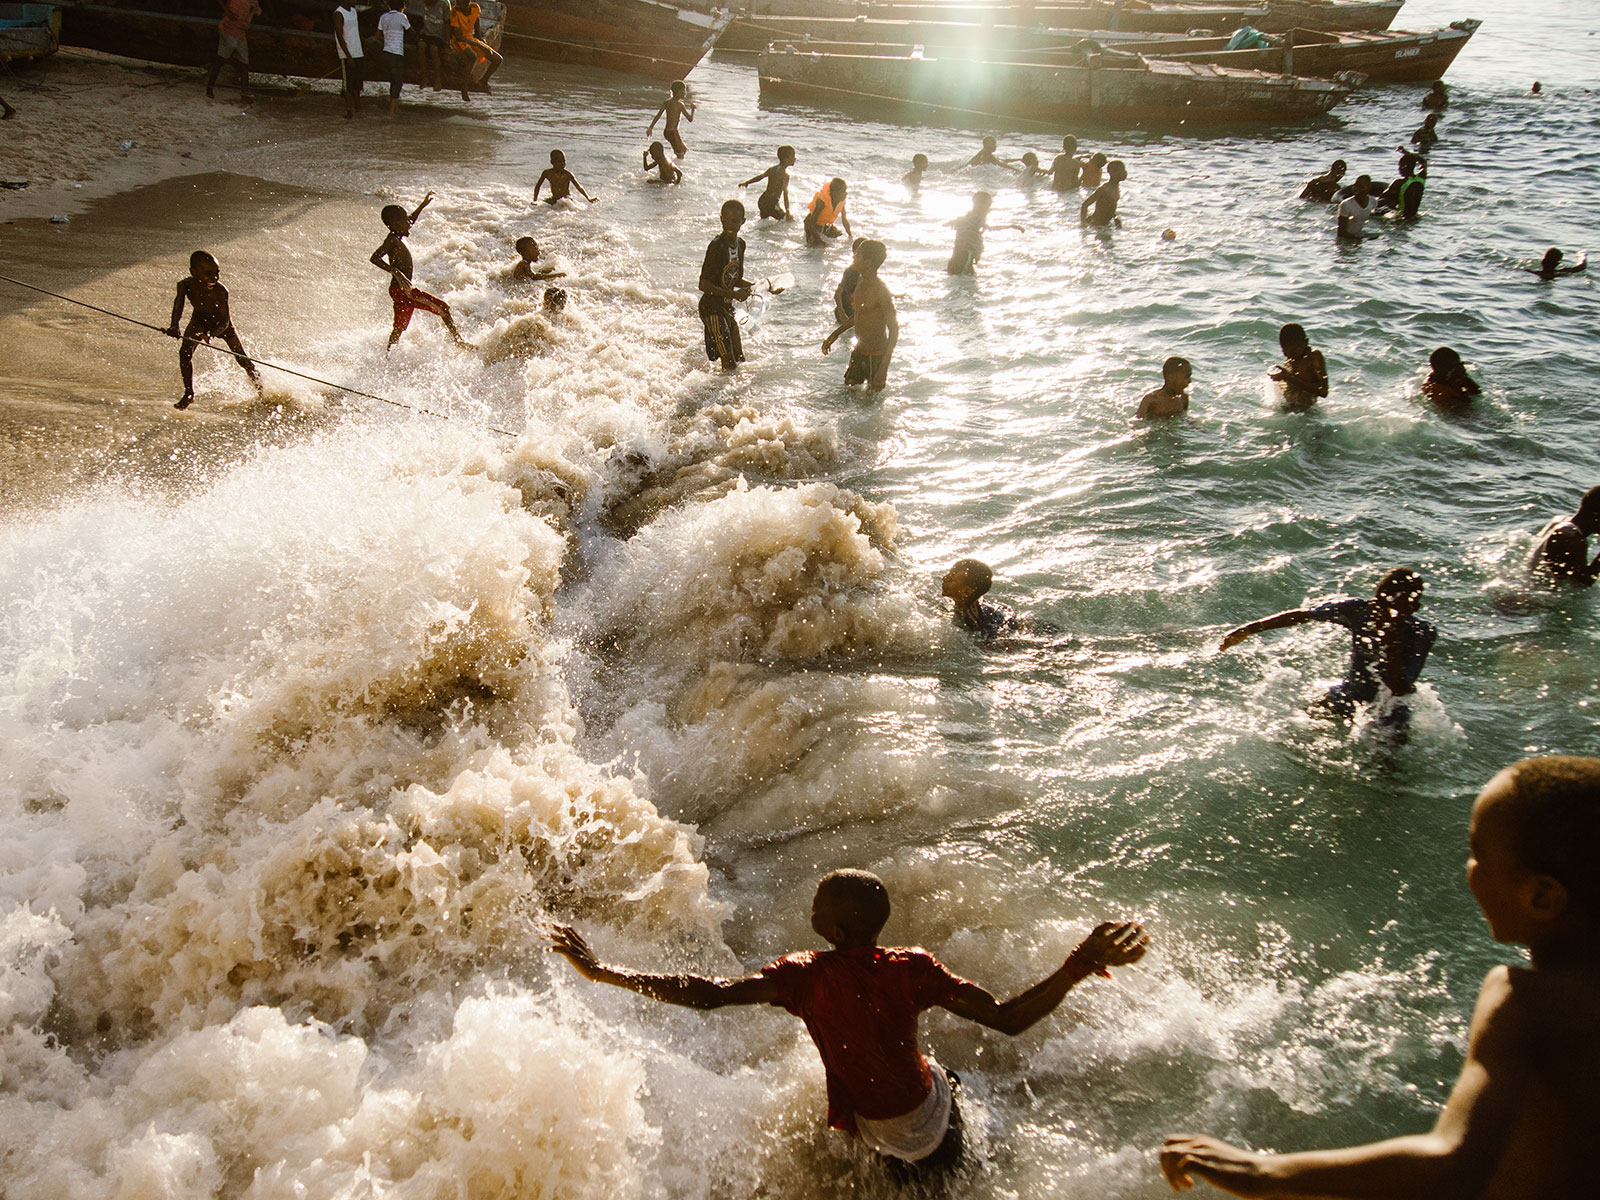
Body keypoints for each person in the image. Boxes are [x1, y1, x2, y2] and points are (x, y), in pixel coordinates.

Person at [1163, 754, 1600, 1199]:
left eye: (1477, 854)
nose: (1469, 869)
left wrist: (1261, 1172)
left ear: (1541, 896)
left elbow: (1453, 1162)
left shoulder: (1521, 998)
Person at [550, 870, 1148, 1172]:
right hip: (929, 1124)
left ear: (834, 930)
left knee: (923, 1106)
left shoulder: (805, 976)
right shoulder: (911, 967)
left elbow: (709, 994)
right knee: (944, 1091)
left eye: (817, 905)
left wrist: (603, 972)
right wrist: (1075, 965)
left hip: (878, 1129)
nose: (809, 908)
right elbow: (1009, 1018)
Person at [1218, 567, 1435, 727]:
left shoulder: (1421, 634)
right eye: (1379, 606)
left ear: (1413, 607)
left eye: (1390, 610)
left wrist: (1391, 645)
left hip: (1388, 711)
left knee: (1388, 772)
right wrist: (1248, 629)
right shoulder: (1360, 611)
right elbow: (1304, 615)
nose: (1380, 615)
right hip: (1350, 694)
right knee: (1292, 725)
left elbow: (1400, 689)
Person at [370, 192, 471, 350]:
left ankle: (388, 355)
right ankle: (459, 342)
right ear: (396, 224)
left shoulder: (400, 233)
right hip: (403, 291)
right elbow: (375, 257)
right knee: (443, 308)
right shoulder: (392, 240)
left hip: (398, 290)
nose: (409, 222)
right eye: (405, 220)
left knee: (399, 328)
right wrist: (394, 271)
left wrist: (422, 205)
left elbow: (411, 219)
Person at [165, 250, 263, 410]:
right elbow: (178, 306)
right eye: (208, 274)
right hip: (199, 320)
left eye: (217, 273)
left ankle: (262, 392)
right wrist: (174, 326)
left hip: (221, 325)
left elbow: (225, 321)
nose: (214, 278)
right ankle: (189, 393)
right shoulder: (184, 285)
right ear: (193, 272)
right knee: (185, 353)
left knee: (242, 360)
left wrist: (211, 334)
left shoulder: (221, 291)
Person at [822, 239, 898, 392]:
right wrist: (834, 335)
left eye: (857, 255)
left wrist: (883, 369)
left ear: (868, 262)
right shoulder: (860, 282)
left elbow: (894, 330)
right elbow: (858, 316)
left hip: (875, 356)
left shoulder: (881, 292)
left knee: (871, 406)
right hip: (858, 352)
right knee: (847, 395)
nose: (853, 258)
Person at [698, 199, 753, 371]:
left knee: (740, 359)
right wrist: (734, 295)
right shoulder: (716, 246)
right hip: (712, 308)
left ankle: (735, 394)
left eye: (736, 221)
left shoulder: (740, 245)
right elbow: (703, 284)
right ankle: (723, 397)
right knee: (728, 364)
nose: (731, 225)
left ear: (743, 221)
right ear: (721, 219)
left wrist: (762, 286)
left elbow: (735, 279)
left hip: (727, 308)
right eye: (727, 220)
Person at [1528, 487, 1600, 587]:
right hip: (1534, 599)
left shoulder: (1560, 521)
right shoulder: (1573, 539)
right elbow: (1583, 583)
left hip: (1527, 587)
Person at [946, 191, 1020, 275]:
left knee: (957, 281)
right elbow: (991, 228)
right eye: (988, 207)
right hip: (965, 257)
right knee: (964, 282)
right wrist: (1010, 226)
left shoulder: (963, 218)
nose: (988, 210)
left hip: (956, 257)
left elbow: (951, 223)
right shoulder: (977, 219)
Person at [941, 559, 1018, 638]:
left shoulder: (970, 620)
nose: (944, 578)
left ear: (966, 592)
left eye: (951, 579)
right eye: (948, 574)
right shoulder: (974, 604)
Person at [206, 0, 259, 103]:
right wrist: (228, 12)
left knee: (244, 65)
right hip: (228, 29)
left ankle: (244, 95)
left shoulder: (254, 2)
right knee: (221, 60)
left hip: (241, 33)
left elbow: (258, 12)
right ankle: (210, 88)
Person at [448, 0, 501, 101]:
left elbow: (476, 27)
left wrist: (482, 43)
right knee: (472, 56)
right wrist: (477, 44)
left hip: (471, 39)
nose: (458, 4)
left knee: (498, 59)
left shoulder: (475, 8)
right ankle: (464, 88)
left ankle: (483, 81)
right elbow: (458, 37)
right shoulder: (454, 12)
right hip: (459, 41)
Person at [1268, 323, 1328, 411]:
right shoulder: (1290, 360)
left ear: (1305, 343)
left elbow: (1323, 392)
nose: (1288, 355)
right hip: (1288, 411)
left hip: (1307, 413)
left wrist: (1289, 378)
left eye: (1294, 351)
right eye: (1285, 351)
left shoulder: (1313, 357)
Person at [739, 145, 796, 220]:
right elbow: (785, 195)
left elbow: (760, 177)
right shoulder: (785, 175)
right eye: (793, 156)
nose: (795, 159)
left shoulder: (772, 169)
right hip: (771, 203)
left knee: (763, 223)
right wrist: (788, 211)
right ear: (786, 159)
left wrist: (747, 182)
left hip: (763, 201)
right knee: (788, 219)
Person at [1421, 346, 1480, 411]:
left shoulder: (1451, 377)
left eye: (1461, 364)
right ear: (1445, 370)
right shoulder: (1437, 389)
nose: (1461, 367)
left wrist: (1463, 378)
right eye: (1456, 366)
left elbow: (1477, 392)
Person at [377, 0, 409, 117]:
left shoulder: (383, 17)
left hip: (386, 53)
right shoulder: (402, 17)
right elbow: (410, 32)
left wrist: (387, 41)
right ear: (402, 7)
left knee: (393, 80)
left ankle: (394, 107)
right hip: (396, 54)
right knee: (398, 82)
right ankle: (391, 111)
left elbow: (378, 36)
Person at [647, 80, 695, 157]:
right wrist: (692, 110)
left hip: (667, 132)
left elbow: (658, 115)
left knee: (682, 150)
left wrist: (651, 127)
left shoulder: (667, 102)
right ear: (678, 91)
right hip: (673, 132)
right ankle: (672, 166)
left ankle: (671, 163)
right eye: (683, 90)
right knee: (681, 153)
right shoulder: (680, 105)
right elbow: (690, 119)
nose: (685, 93)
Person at [333, 1, 364, 118]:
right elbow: (339, 36)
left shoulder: (353, 11)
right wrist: (348, 56)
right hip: (347, 54)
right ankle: (349, 112)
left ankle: (358, 108)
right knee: (348, 85)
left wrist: (363, 41)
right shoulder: (339, 13)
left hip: (357, 51)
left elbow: (355, 30)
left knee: (357, 83)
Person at [804, 177, 851, 248]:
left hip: (824, 225)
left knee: (839, 235)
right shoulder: (822, 202)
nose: (846, 193)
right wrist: (819, 240)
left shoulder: (841, 202)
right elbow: (811, 224)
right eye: (843, 191)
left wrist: (850, 236)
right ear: (835, 193)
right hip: (811, 225)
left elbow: (844, 220)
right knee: (816, 246)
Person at [1378, 152, 1426, 221]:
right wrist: (1408, 154)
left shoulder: (1398, 183)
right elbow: (1423, 162)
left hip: (1402, 218)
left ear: (1404, 167)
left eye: (1399, 166)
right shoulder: (1422, 178)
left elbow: (1381, 200)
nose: (1399, 169)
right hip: (1416, 217)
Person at [1080, 159, 1126, 227]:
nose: (1125, 172)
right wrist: (1083, 224)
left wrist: (1115, 218)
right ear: (1113, 173)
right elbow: (1085, 204)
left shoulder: (1115, 186)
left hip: (1105, 223)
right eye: (1122, 171)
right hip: (1096, 223)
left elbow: (1109, 206)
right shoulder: (1104, 189)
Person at [415, 0, 448, 91]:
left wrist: (447, 41)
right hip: (426, 33)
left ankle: (437, 80)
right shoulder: (424, 3)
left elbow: (447, 22)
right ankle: (424, 77)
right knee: (421, 46)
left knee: (434, 49)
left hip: (438, 35)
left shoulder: (444, 4)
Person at [832, 238, 865, 325]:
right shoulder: (851, 272)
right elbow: (837, 294)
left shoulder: (866, 271)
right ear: (855, 253)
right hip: (847, 312)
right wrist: (842, 314)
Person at [1336, 175, 1377, 240]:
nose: (1357, 188)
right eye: (1355, 185)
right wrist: (1361, 239)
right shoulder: (1346, 204)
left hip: (1358, 235)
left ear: (1368, 188)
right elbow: (1341, 233)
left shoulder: (1373, 202)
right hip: (1345, 240)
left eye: (1361, 186)